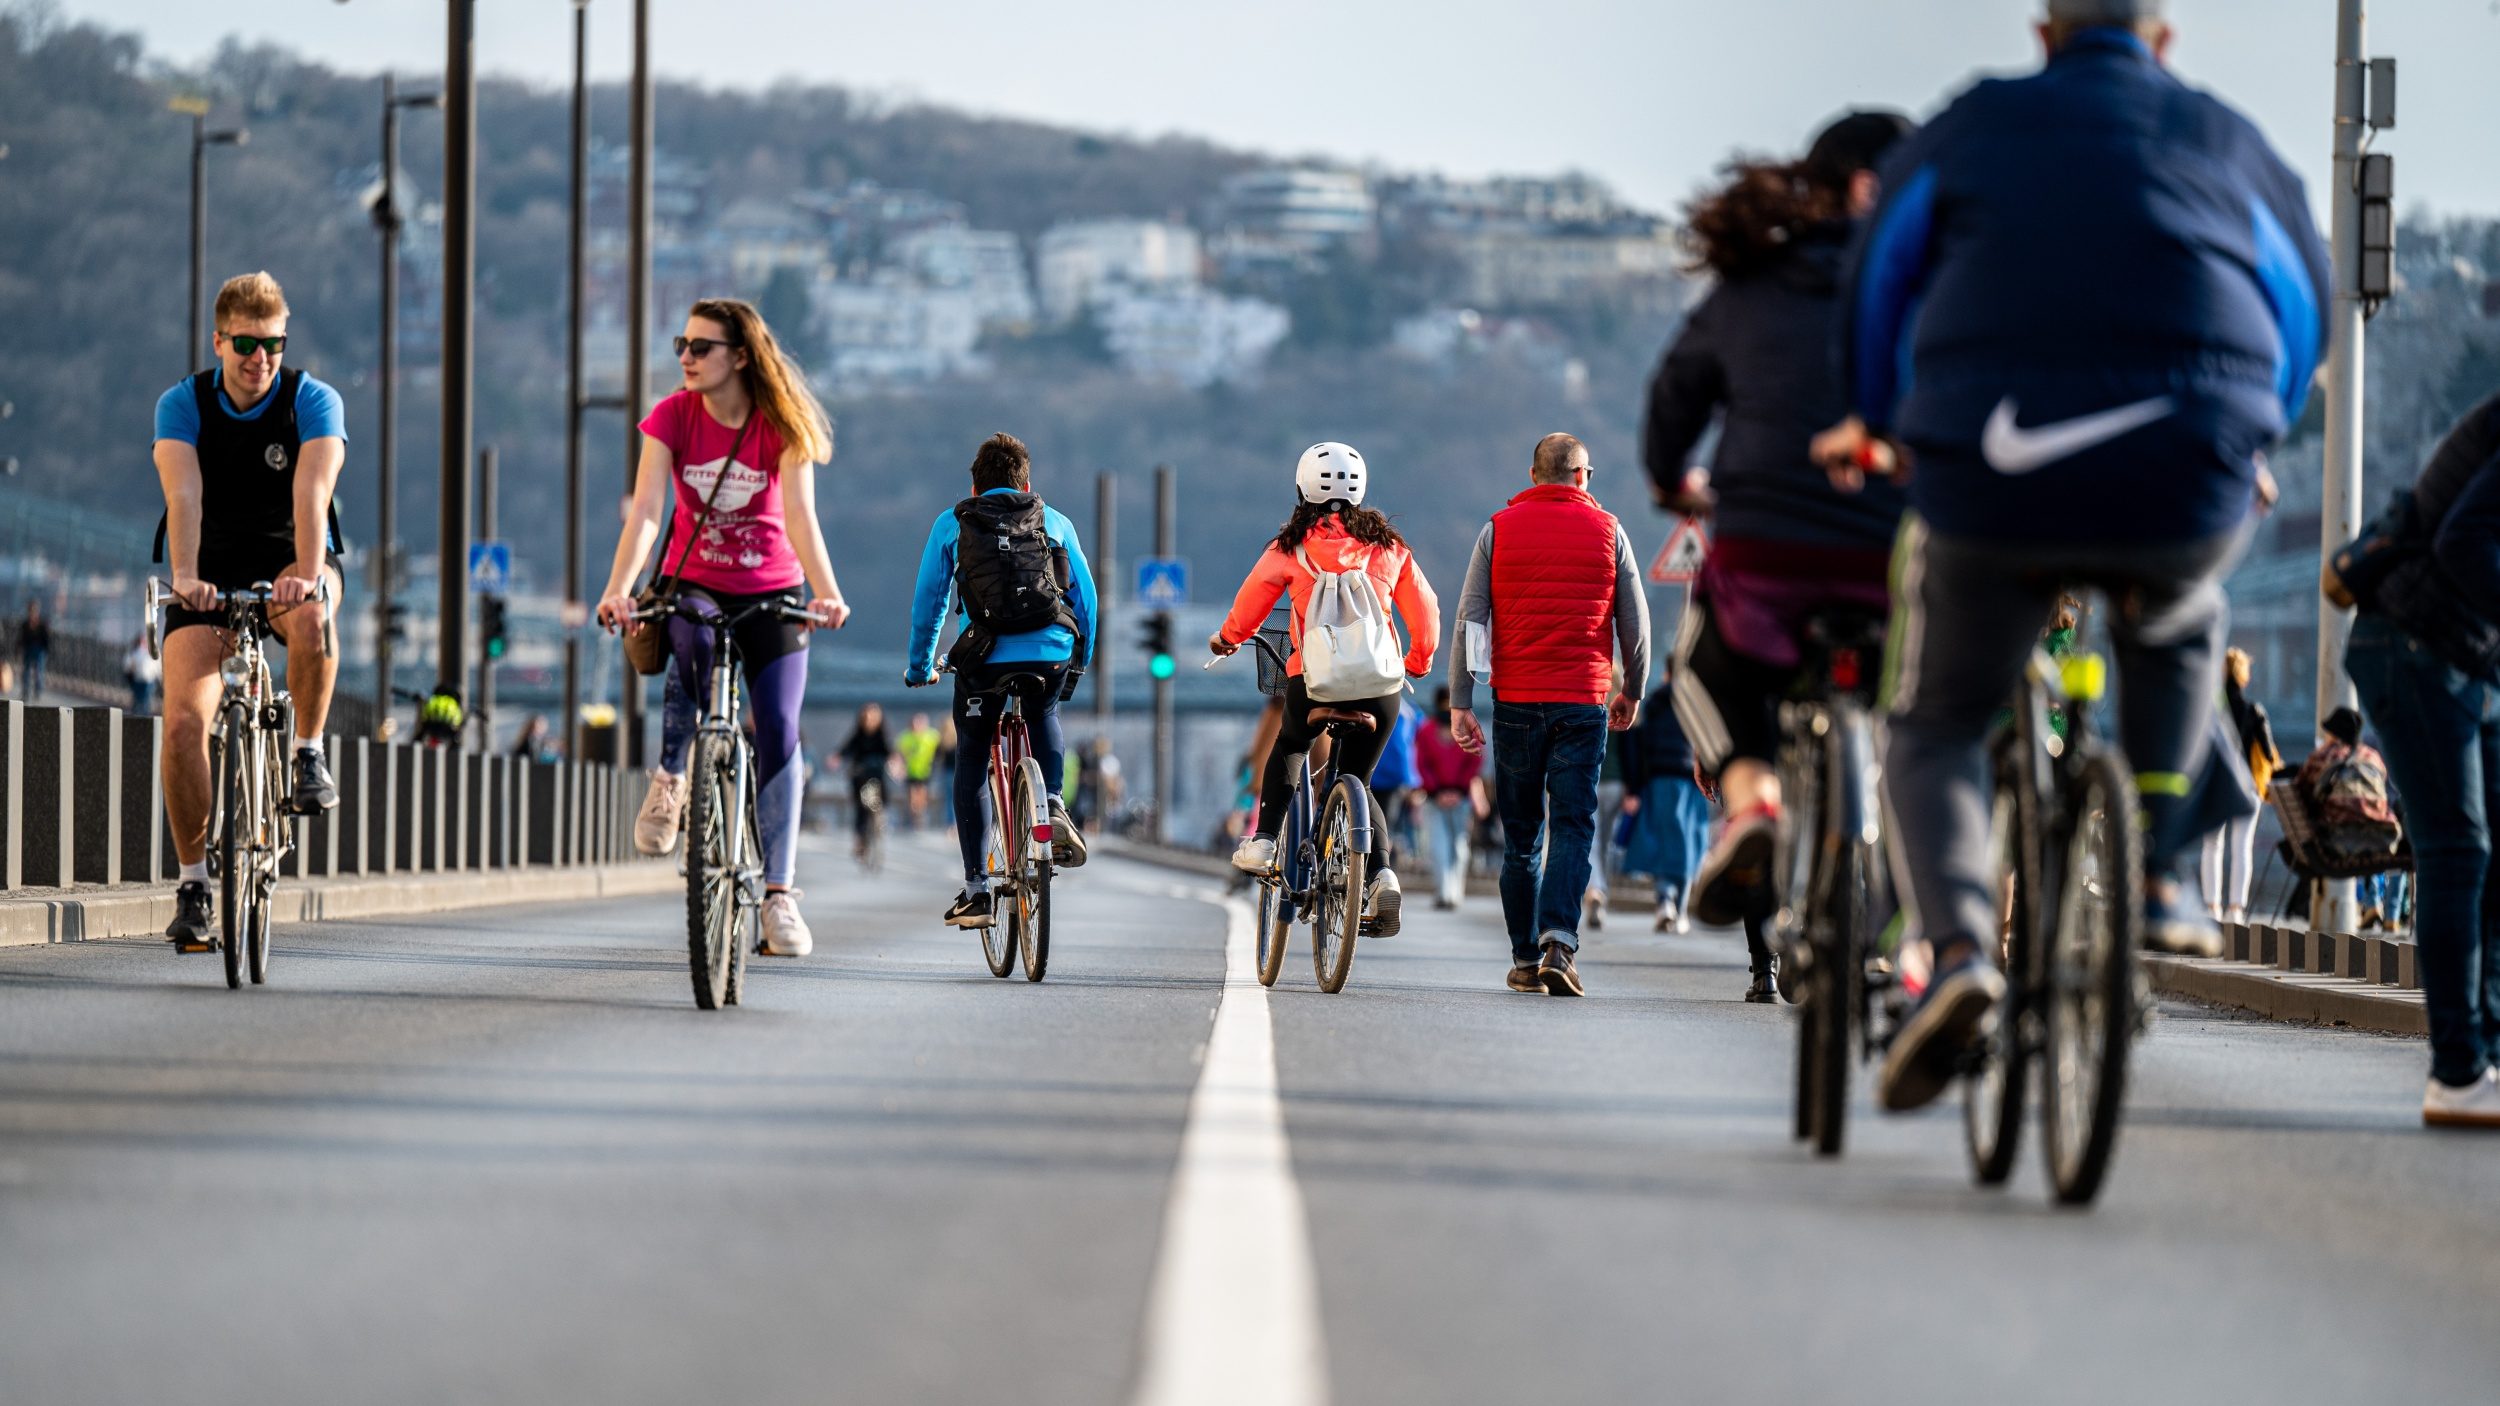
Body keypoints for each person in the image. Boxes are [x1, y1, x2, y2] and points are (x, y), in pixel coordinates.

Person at [1815, 0, 2330, 1111]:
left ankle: (1955, 953)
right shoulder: (2226, 139)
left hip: (1991, 466)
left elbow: (1876, 279)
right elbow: (2304, 301)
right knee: (2180, 613)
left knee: (1940, 717)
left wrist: (1870, 413)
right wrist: (2259, 428)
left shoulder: (1971, 126)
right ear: (2162, 38)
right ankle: (2157, 871)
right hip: (2188, 461)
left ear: (2044, 33)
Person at [1642, 109, 1915, 930]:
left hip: (1767, 549)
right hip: (1899, 551)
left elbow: (1673, 396)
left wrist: (1671, 484)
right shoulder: (1937, 283)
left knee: (1702, 664)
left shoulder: (1752, 286)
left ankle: (1754, 800)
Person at [597, 297, 851, 958]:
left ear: (739, 356)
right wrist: (618, 590)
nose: (686, 356)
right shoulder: (672, 419)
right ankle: (671, 778)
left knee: (778, 725)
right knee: (692, 635)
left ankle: (779, 897)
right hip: (694, 580)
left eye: (701, 346)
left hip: (773, 588)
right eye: (683, 343)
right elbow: (648, 511)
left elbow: (800, 517)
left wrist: (825, 594)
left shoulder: (780, 426)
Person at [150, 272, 350, 951]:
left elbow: (312, 492)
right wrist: (185, 579)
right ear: (219, 342)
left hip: (292, 553)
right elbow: (183, 497)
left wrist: (306, 577)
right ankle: (194, 885)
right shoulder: (183, 405)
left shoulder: (312, 401)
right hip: (206, 564)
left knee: (315, 618)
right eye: (245, 345)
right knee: (181, 724)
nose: (259, 359)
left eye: (273, 344)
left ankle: (306, 754)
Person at [2336, 386, 2500, 1125]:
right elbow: (2464, 538)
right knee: (2458, 851)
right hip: (2413, 645)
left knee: (2489, 857)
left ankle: (2484, 1057)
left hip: (2467, 656)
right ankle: (2457, 1069)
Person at [1212, 441, 1440, 941]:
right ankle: (1381, 873)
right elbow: (1426, 613)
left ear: (1302, 489)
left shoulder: (1289, 548)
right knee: (1360, 774)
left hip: (1314, 681)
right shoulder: (1389, 548)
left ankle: (1267, 841)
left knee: (1291, 744)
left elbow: (1251, 603)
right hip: (1381, 686)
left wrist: (1227, 639)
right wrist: (1417, 662)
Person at [1449, 433, 1652, 995]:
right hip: (1582, 702)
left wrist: (1461, 701)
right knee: (1572, 825)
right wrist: (1632, 689)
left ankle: (1522, 958)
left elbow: (1471, 621)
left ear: (1534, 476)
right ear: (1584, 477)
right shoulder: (1611, 532)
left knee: (1520, 837)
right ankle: (1558, 943)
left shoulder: (1497, 529)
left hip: (1515, 700)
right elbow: (1635, 626)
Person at [907, 432, 1099, 928]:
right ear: (1027, 482)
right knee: (1045, 710)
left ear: (974, 488)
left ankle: (976, 890)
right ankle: (1052, 802)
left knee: (971, 755)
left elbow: (930, 600)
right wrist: (1080, 658)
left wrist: (920, 665)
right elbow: (1087, 597)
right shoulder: (1053, 520)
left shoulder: (954, 523)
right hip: (1050, 652)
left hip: (985, 656)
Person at [1620, 669, 1708, 935]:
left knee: (1660, 843)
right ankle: (1679, 911)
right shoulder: (1696, 703)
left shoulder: (1654, 702)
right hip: (1690, 781)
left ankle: (1664, 902)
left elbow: (1640, 742)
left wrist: (1636, 784)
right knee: (1687, 847)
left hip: (1657, 780)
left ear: (1667, 673)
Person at [2202, 648, 2279, 922]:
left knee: (2212, 846)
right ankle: (2235, 909)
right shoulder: (2253, 710)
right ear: (2243, 676)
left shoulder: (2209, 711)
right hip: (2247, 787)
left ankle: (2212, 906)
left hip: (2216, 785)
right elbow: (2269, 754)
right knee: (2242, 846)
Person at [1415, 685, 1481, 911]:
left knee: (1458, 847)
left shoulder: (1464, 730)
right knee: (1440, 846)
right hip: (1438, 798)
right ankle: (1445, 892)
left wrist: (1456, 790)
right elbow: (1422, 764)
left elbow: (1475, 760)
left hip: (1456, 798)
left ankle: (1453, 892)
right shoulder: (1427, 730)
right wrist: (1438, 790)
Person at [837, 701, 896, 850]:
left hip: (876, 774)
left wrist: (895, 762)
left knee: (882, 793)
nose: (870, 720)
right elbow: (847, 748)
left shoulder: (882, 734)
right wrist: (837, 757)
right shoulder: (858, 734)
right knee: (860, 807)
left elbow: (890, 751)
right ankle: (860, 838)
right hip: (861, 775)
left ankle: (880, 816)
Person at [897, 713, 941, 829]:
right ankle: (914, 816)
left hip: (926, 770)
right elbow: (899, 754)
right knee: (912, 795)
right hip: (911, 771)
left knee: (922, 794)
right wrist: (900, 768)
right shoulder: (906, 737)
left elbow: (939, 751)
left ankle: (920, 814)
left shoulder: (932, 736)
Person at [16, 601, 50, 699]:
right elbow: (21, 638)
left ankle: (38, 691)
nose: (32, 612)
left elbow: (46, 638)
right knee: (26, 671)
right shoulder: (25, 624)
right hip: (28, 649)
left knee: (39, 671)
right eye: (31, 610)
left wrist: (46, 651)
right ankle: (25, 691)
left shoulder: (42, 624)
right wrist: (18, 648)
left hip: (39, 651)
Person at [124, 631, 161, 715]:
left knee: (145, 701)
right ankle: (136, 718)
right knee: (138, 701)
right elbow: (129, 665)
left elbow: (158, 666)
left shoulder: (153, 652)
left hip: (149, 680)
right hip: (138, 680)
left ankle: (143, 719)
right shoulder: (135, 652)